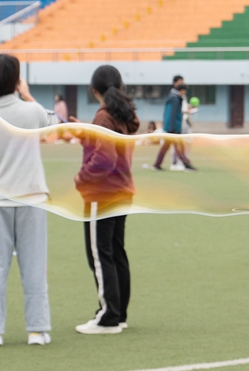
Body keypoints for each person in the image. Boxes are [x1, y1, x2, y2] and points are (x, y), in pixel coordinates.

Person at [0, 54, 57, 347]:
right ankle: (38, 330)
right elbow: (54, 130)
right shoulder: (32, 112)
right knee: (34, 266)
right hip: (32, 198)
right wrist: (28, 96)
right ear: (17, 81)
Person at [74, 65, 141, 334]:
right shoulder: (121, 115)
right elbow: (106, 148)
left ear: (94, 91)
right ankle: (118, 312)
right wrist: (85, 132)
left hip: (101, 195)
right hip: (122, 192)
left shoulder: (103, 117)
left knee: (100, 255)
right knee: (116, 252)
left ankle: (108, 317)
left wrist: (81, 178)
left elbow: (104, 158)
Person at [153, 76, 195, 171]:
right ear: (182, 90)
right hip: (173, 128)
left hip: (170, 127)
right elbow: (172, 114)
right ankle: (186, 164)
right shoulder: (175, 99)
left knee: (167, 147)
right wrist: (173, 129)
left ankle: (157, 165)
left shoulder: (172, 97)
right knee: (179, 147)